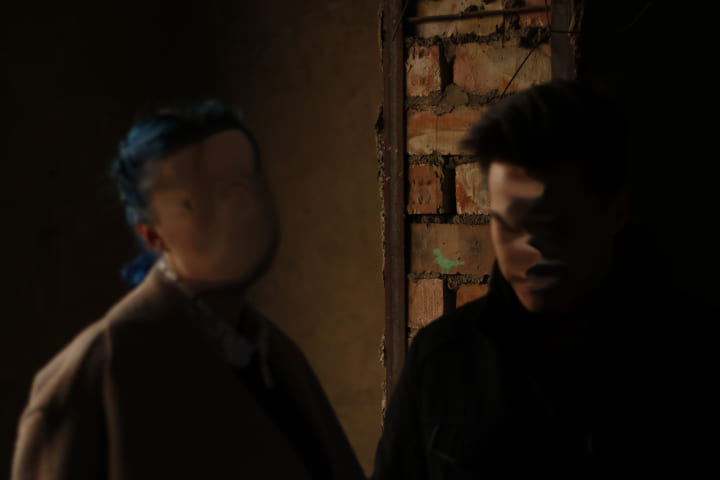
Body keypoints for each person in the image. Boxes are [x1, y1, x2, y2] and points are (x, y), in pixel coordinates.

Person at [372, 80, 711, 478]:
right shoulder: (441, 361)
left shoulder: (691, 358)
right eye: (508, 225)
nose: (529, 253)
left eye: (553, 228)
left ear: (616, 211)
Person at [11, 100, 365, 479]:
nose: (237, 209)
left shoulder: (277, 355)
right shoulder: (96, 376)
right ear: (151, 234)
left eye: (245, 182)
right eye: (195, 201)